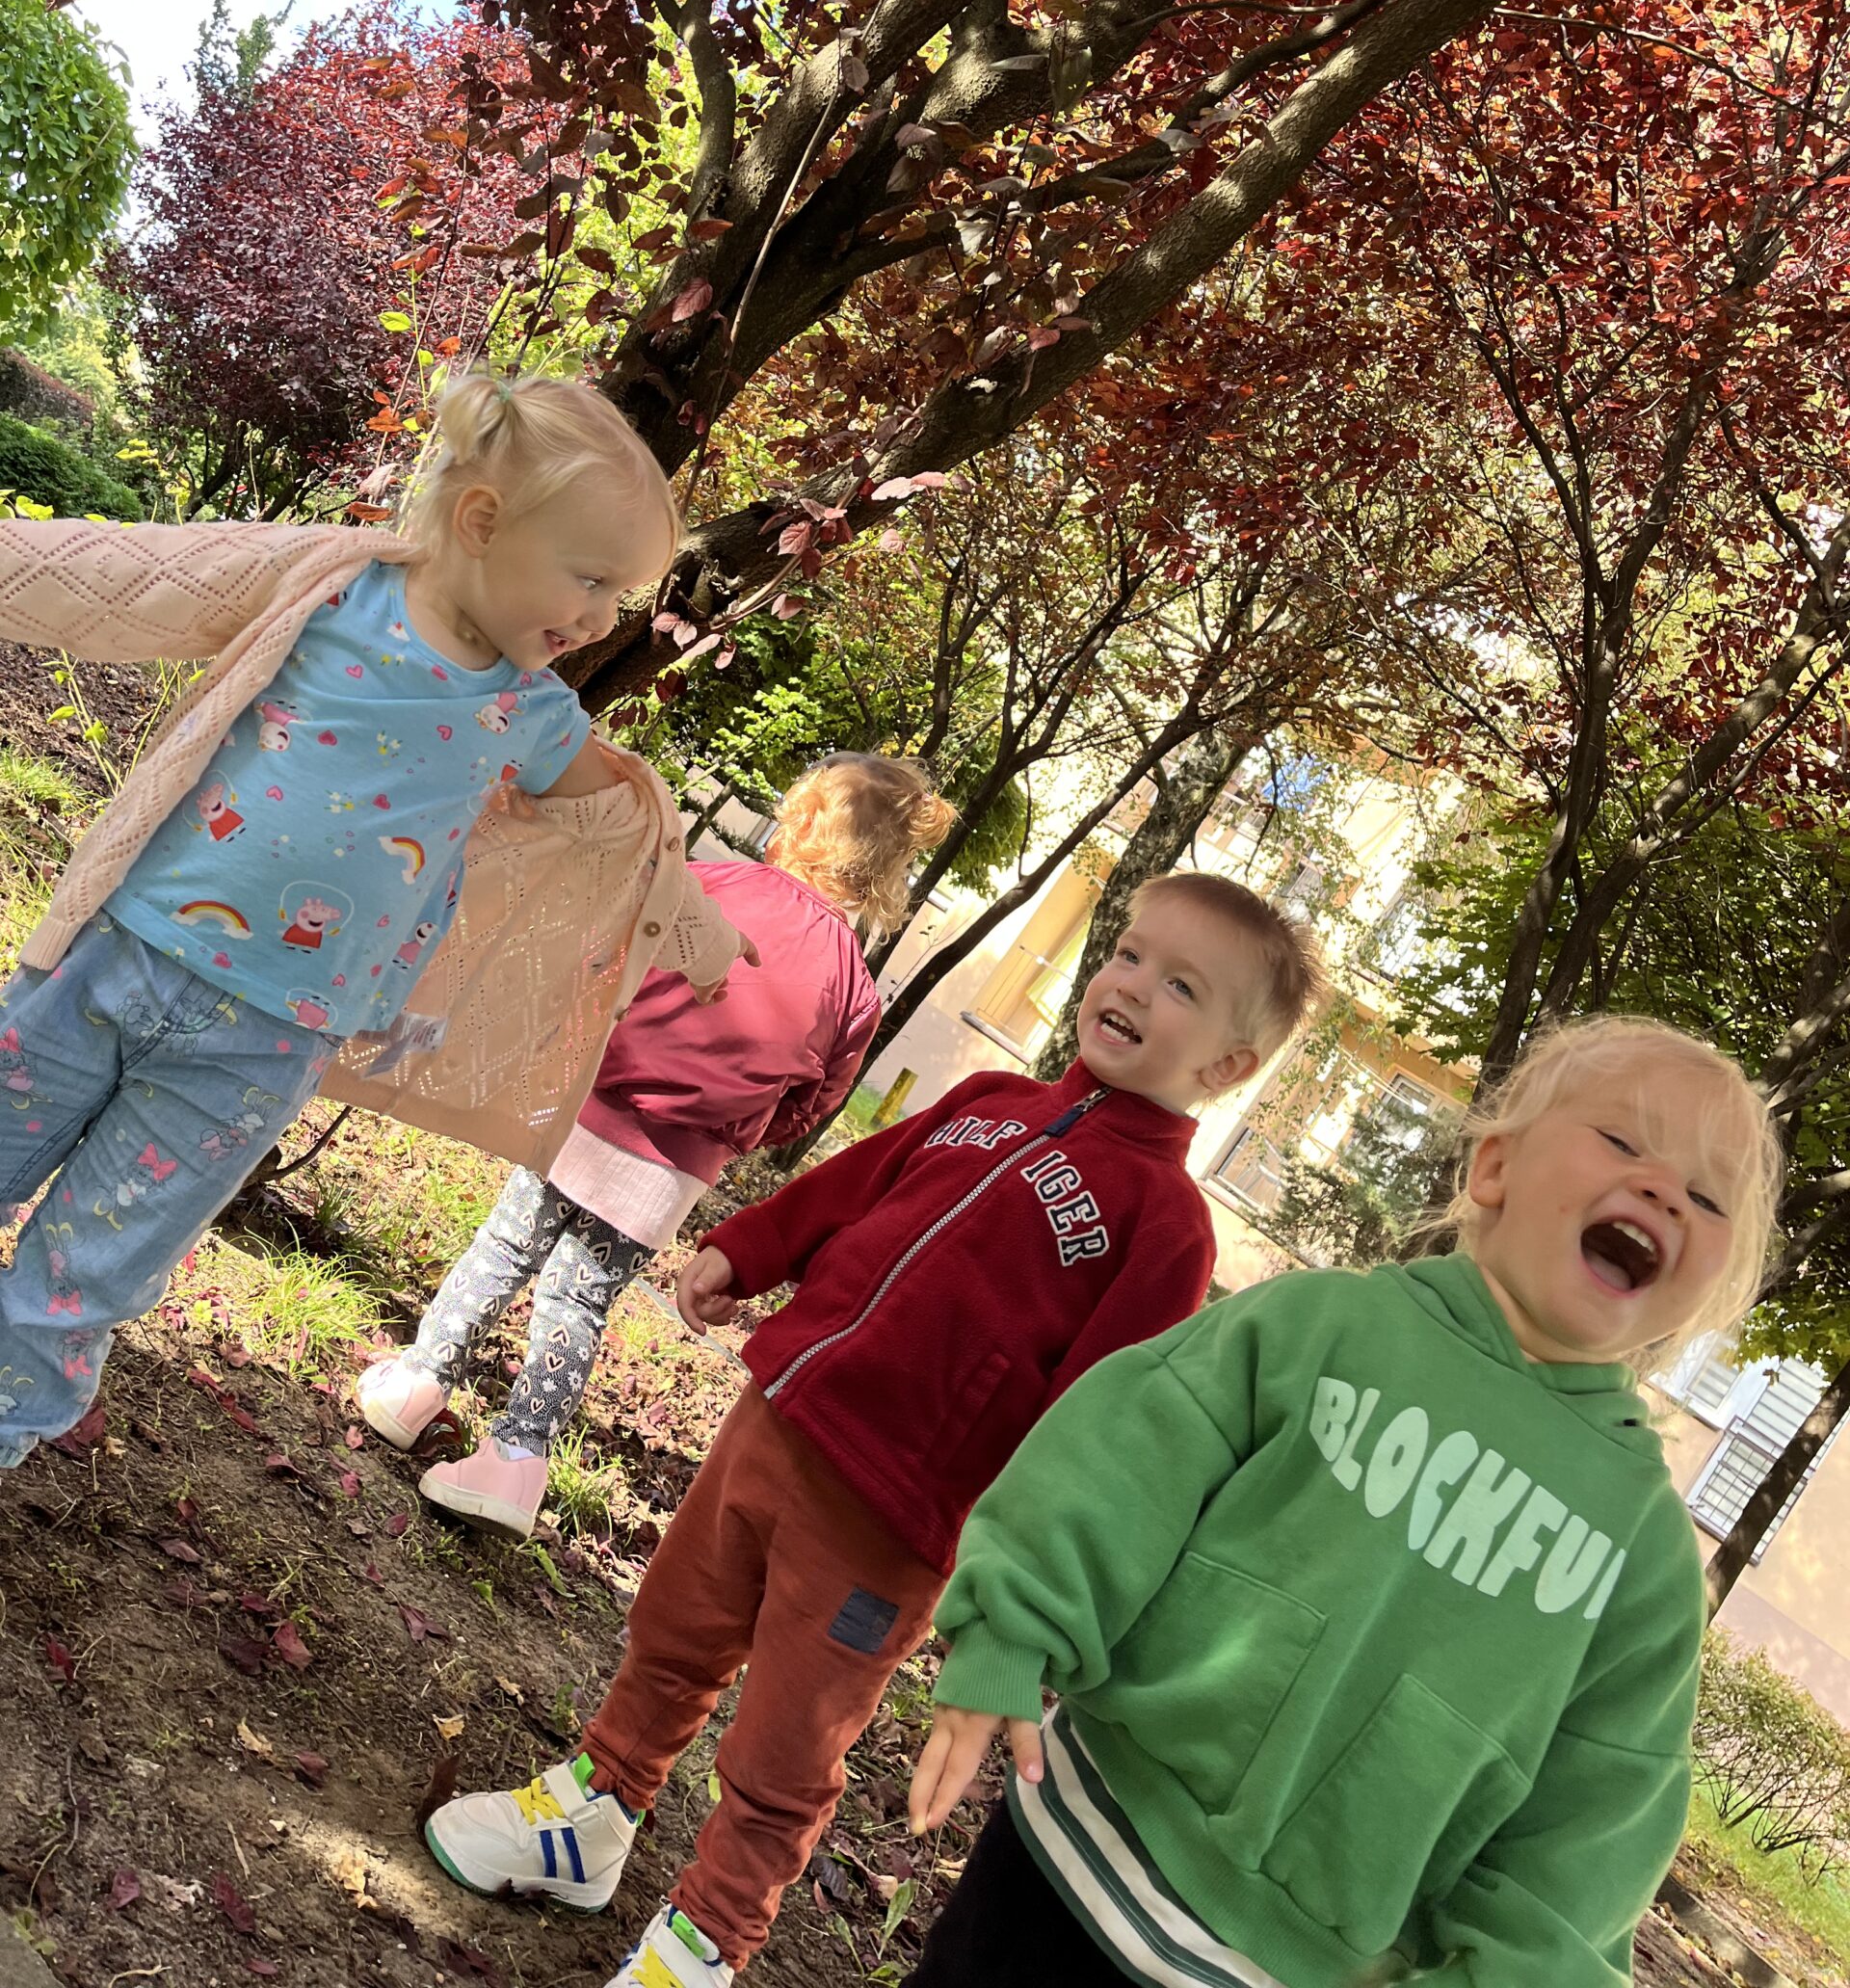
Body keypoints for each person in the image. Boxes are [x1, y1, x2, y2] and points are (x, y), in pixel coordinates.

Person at [422, 872, 1325, 1988]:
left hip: (893, 1521)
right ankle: (592, 1813)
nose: (1132, 984)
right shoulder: (992, 1099)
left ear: (1228, 1066)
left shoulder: (1166, 1226)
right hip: (777, 1420)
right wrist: (752, 1246)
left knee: (788, 1743)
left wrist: (1026, 1580)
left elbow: (1103, 1424)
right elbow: (858, 1181)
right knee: (675, 1627)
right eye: (1130, 953)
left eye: (1180, 985)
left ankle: (704, 1942)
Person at [901, 1013, 1783, 1988]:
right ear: (1494, 1168)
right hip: (1078, 1838)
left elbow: (1597, 1818)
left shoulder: (1646, 1559)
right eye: (1621, 1140)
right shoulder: (1325, 1325)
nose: (1663, 1189)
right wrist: (1014, 1626)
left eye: (1707, 1197)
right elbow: (1126, 1456)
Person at [0, 372, 753, 1465]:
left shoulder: (532, 713)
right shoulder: (329, 586)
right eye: (591, 580)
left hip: (264, 1045)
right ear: (482, 522)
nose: (603, 619)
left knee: (83, 1281)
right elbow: (128, 573)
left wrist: (703, 936)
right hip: (118, 956)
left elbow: (625, 831)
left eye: (619, 597)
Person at [356, 751, 956, 1538]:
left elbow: (612, 955)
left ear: (801, 823)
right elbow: (811, 1106)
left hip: (592, 1105)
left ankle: (418, 1385)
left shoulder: (718, 886)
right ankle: (515, 1462)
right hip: (674, 1168)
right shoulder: (855, 990)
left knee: (505, 1247)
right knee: (580, 1297)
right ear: (888, 870)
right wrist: (729, 1139)